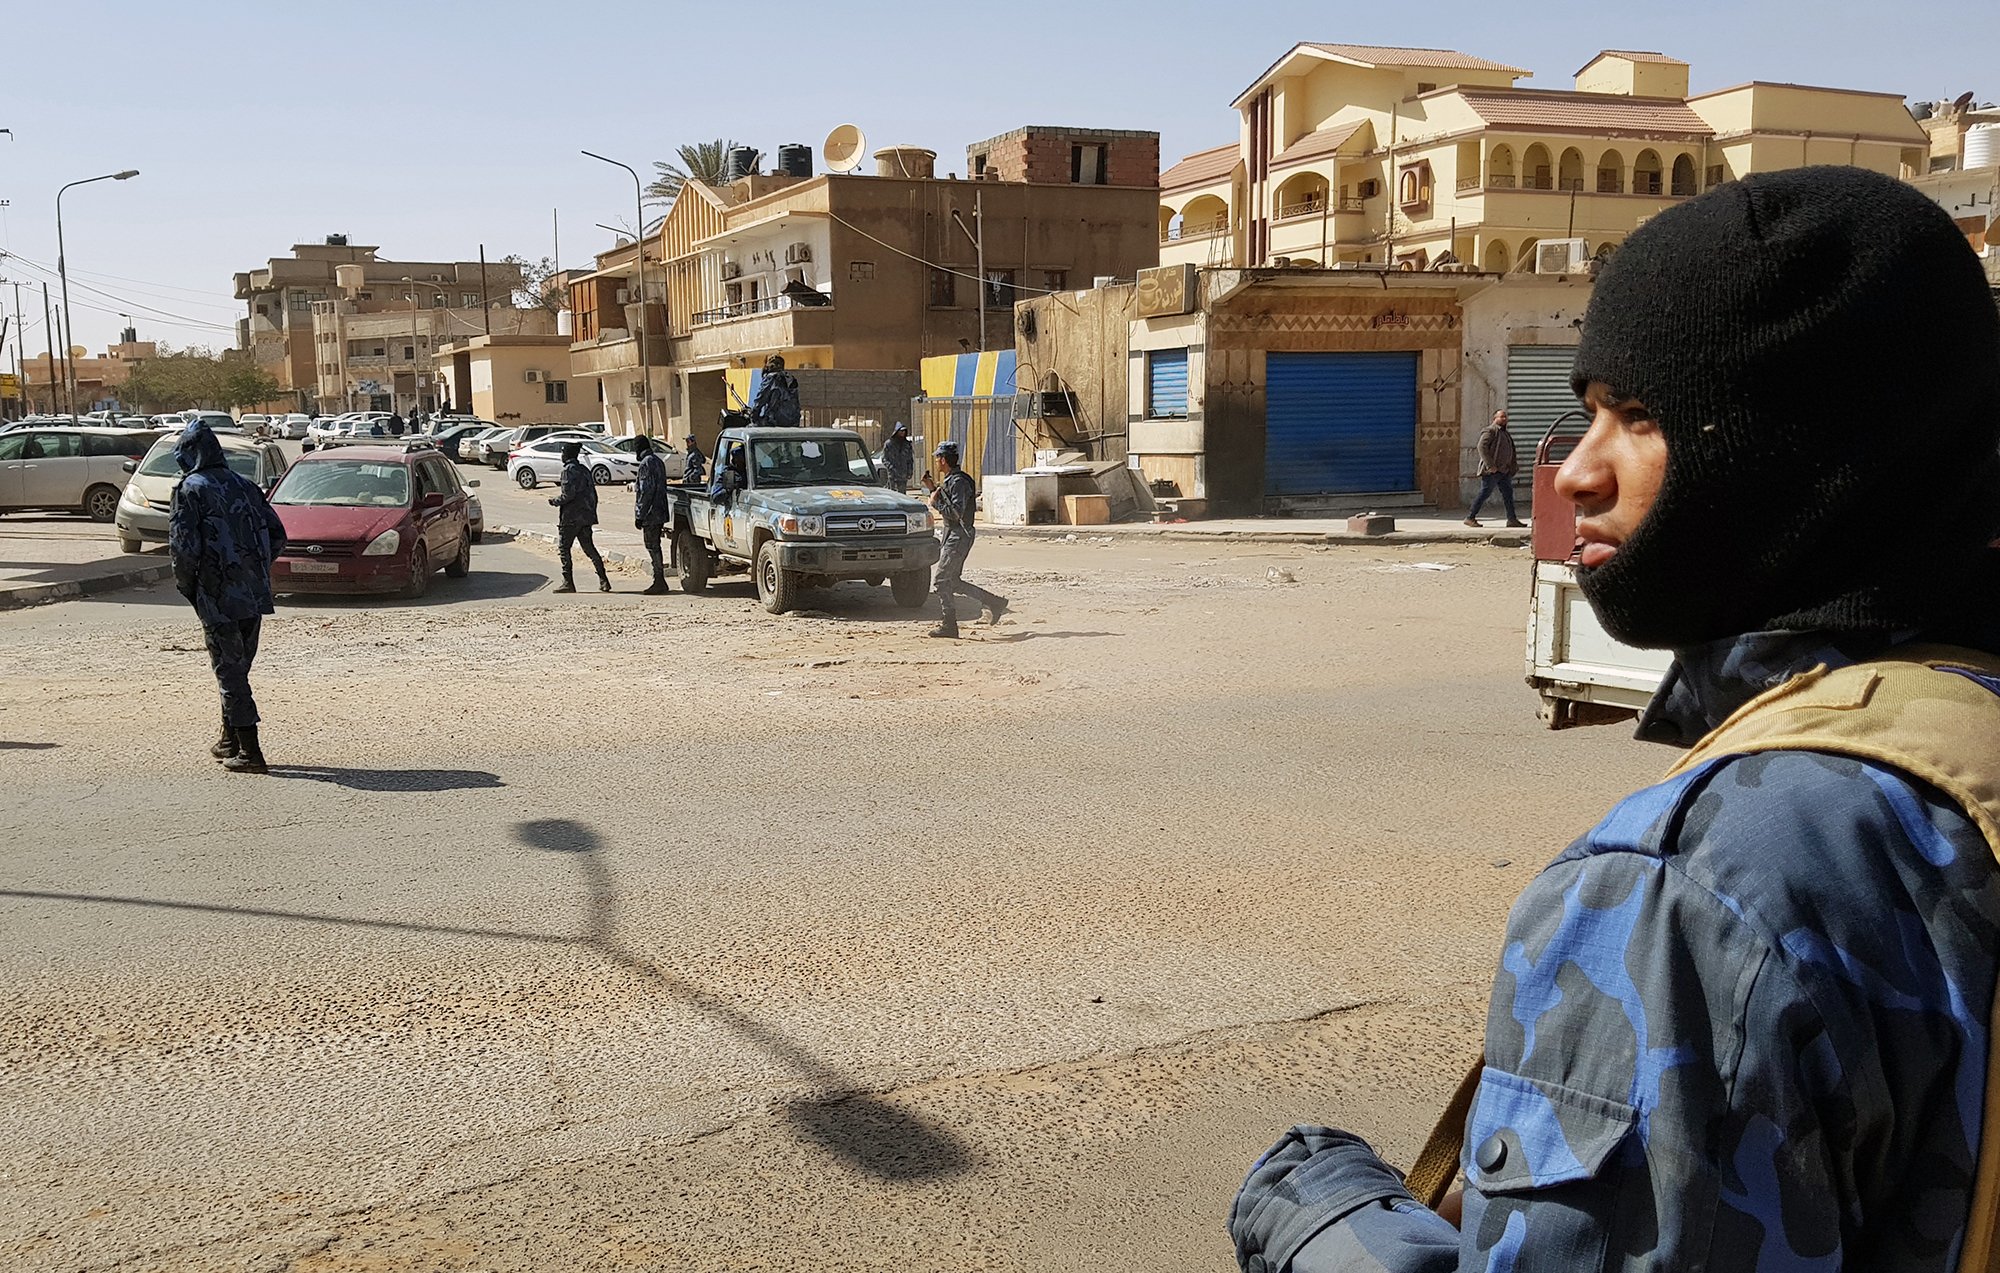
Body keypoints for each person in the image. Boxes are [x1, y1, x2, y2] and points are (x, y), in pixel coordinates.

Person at [1228, 167, 2000, 1271]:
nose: (1578, 472)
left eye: (1640, 418)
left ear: (1803, 454)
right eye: (1583, 410)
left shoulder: (1698, 886)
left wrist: (1323, 1221)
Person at [168, 421, 289, 774]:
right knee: (239, 667)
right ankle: (229, 739)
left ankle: (250, 750)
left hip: (217, 593)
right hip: (252, 591)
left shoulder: (190, 489)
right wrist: (256, 566)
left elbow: (184, 547)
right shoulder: (246, 486)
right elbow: (277, 534)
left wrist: (189, 586)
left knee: (229, 671)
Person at [923, 440, 1007, 638]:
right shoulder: (953, 480)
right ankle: (994, 602)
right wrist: (932, 488)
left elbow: (956, 513)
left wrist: (934, 503)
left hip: (959, 535)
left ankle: (949, 625)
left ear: (943, 460)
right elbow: (950, 502)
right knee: (952, 581)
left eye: (937, 458)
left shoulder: (959, 481)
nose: (936, 462)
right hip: (954, 534)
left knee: (942, 580)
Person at [549, 441, 611, 594]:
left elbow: (568, 495)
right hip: (585, 517)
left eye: (563, 453)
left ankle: (568, 582)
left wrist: (555, 501)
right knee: (590, 549)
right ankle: (604, 579)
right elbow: (593, 495)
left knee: (564, 549)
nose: (561, 456)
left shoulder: (568, 471)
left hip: (570, 518)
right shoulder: (584, 470)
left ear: (567, 455)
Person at [1463, 409, 1524, 528]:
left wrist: (1512, 466)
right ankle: (1470, 517)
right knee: (1484, 493)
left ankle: (1512, 519)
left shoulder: (1505, 433)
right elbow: (1482, 447)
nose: (1504, 419)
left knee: (1508, 495)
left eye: (1505, 417)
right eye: (1501, 417)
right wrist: (1490, 466)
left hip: (1504, 471)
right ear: (1494, 419)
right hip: (1492, 471)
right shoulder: (1490, 431)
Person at [633, 435, 672, 595]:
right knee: (655, 545)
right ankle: (659, 579)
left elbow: (646, 491)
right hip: (660, 510)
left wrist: (639, 514)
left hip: (651, 514)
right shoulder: (658, 461)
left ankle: (659, 580)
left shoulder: (646, 463)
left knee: (652, 546)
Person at [749, 354, 801, 428]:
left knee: (751, 427)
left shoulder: (771, 378)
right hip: (793, 422)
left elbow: (760, 400)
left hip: (774, 422)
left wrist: (753, 416)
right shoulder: (790, 379)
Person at [881, 422, 914, 492]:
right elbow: (884, 458)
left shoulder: (907, 445)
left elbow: (910, 459)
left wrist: (910, 471)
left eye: (904, 431)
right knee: (893, 494)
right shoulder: (889, 444)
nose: (903, 433)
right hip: (893, 475)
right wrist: (891, 467)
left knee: (902, 495)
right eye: (901, 431)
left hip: (903, 475)